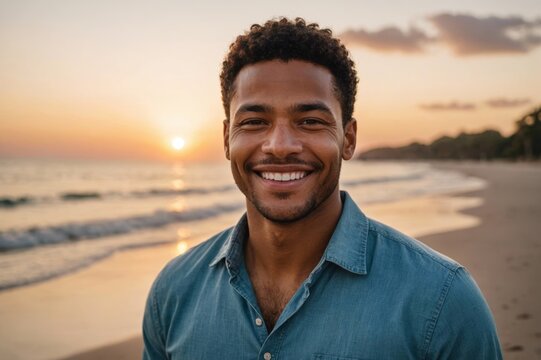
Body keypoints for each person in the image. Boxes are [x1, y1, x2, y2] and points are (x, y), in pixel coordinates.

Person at [142, 17, 502, 359]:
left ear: (348, 138)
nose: (280, 145)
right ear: (226, 139)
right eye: (254, 121)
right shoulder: (173, 293)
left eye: (310, 121)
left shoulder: (442, 298)